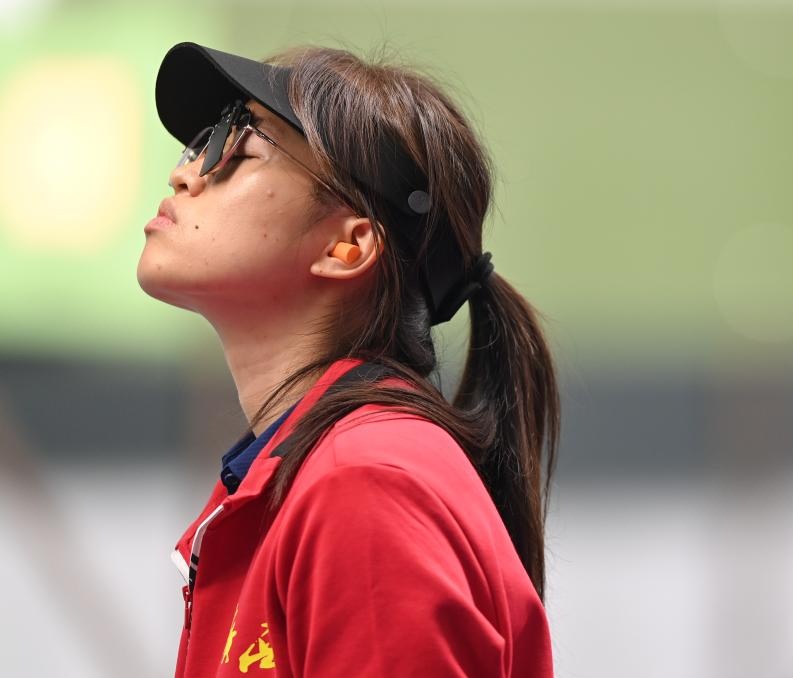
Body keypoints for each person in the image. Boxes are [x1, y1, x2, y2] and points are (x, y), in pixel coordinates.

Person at [138, 42, 561, 678]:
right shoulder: (318, 478)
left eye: (239, 148)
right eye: (200, 144)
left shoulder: (364, 485)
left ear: (348, 247)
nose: (185, 174)